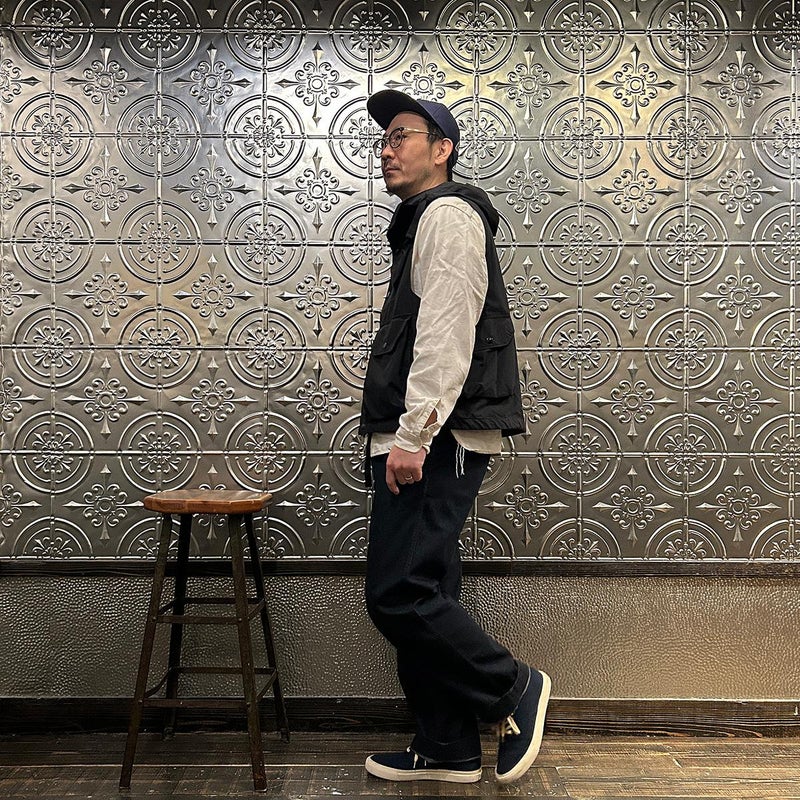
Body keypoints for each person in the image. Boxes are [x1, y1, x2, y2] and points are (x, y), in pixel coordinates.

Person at [358, 88, 552, 786]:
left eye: (402, 136)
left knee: (398, 593)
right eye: (382, 139)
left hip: (434, 438)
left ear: (442, 149)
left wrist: (413, 435)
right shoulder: (425, 218)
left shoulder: (447, 214)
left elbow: (446, 331)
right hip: (426, 434)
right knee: (428, 585)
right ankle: (447, 745)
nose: (387, 150)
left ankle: (512, 686)